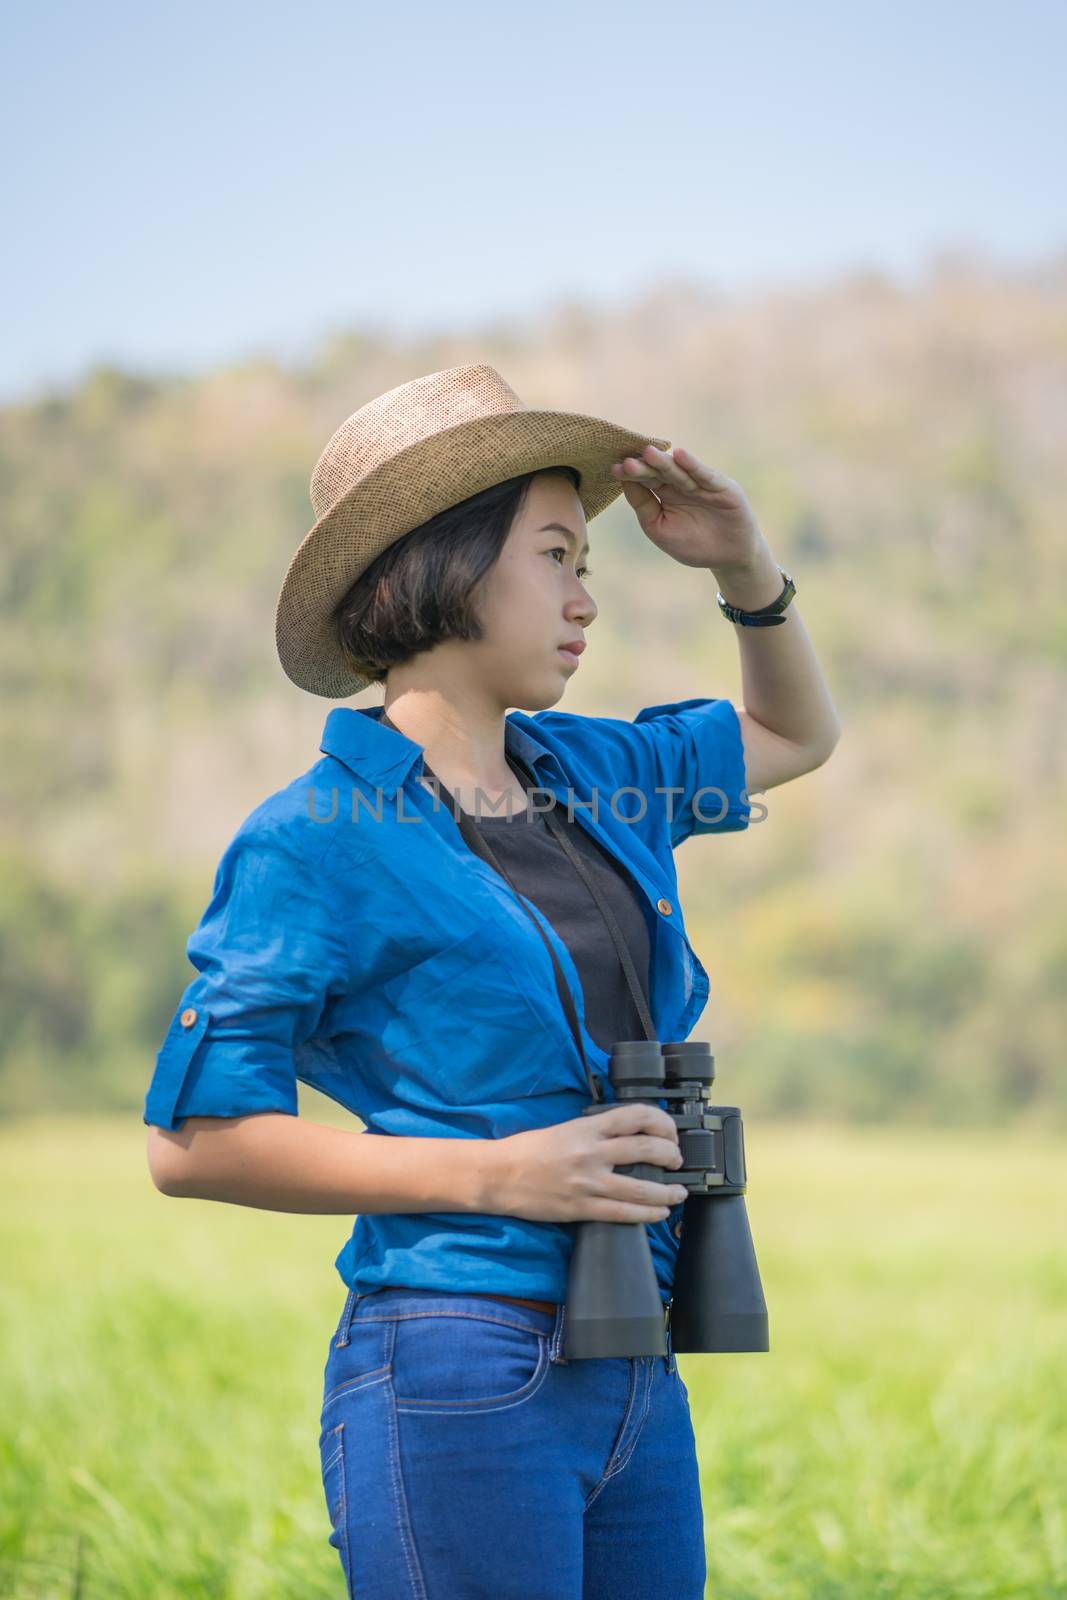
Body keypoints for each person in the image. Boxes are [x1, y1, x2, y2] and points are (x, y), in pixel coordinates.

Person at [143, 362, 841, 1599]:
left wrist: (746, 571)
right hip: (456, 1357)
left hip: (632, 1354)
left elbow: (793, 735)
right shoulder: (316, 833)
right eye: (557, 557)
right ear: (446, 561)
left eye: (587, 567)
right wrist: (506, 1171)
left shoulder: (597, 773)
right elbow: (196, 1143)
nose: (586, 600)